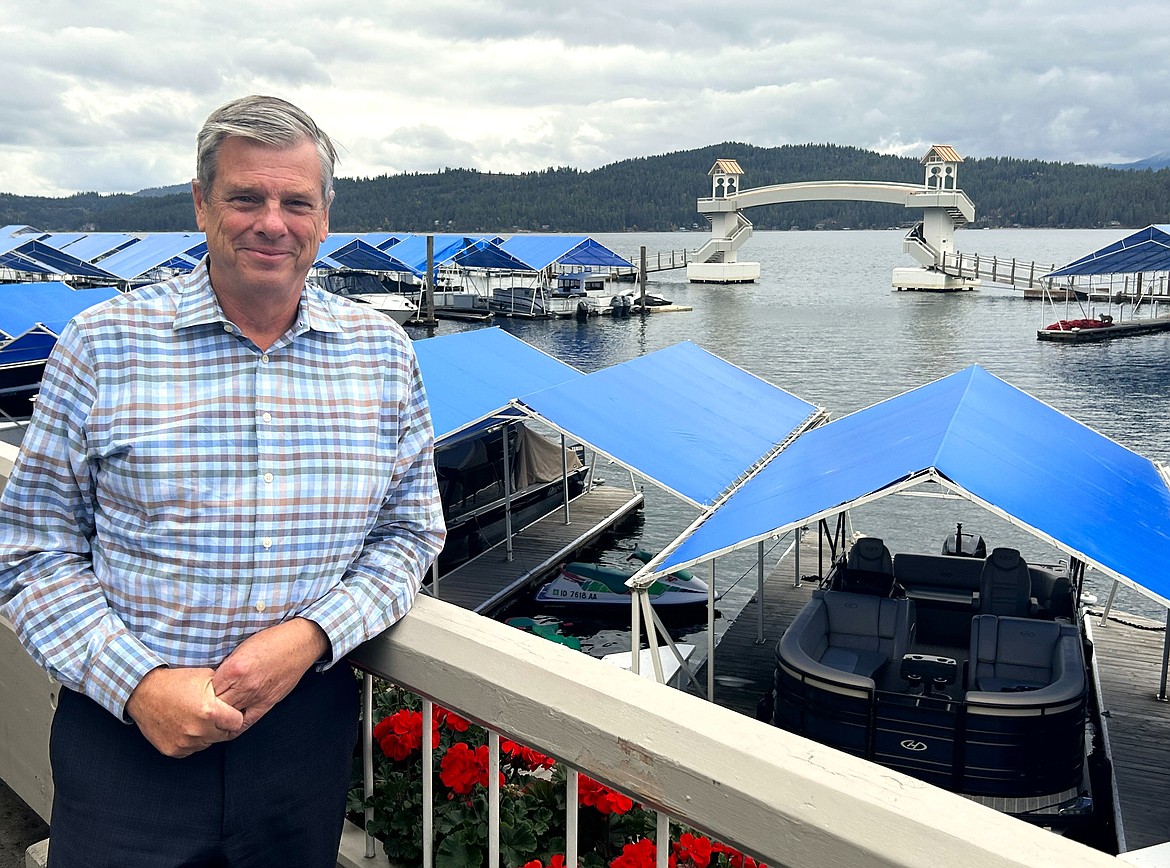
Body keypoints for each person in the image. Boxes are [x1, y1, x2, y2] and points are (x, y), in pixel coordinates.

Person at [0, 95, 446, 867]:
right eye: (246, 196)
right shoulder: (103, 344)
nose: (273, 222)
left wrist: (312, 635)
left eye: (296, 201)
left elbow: (409, 535)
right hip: (124, 741)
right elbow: (32, 549)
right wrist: (138, 684)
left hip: (301, 738)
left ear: (325, 216)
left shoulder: (382, 353)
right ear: (202, 204)